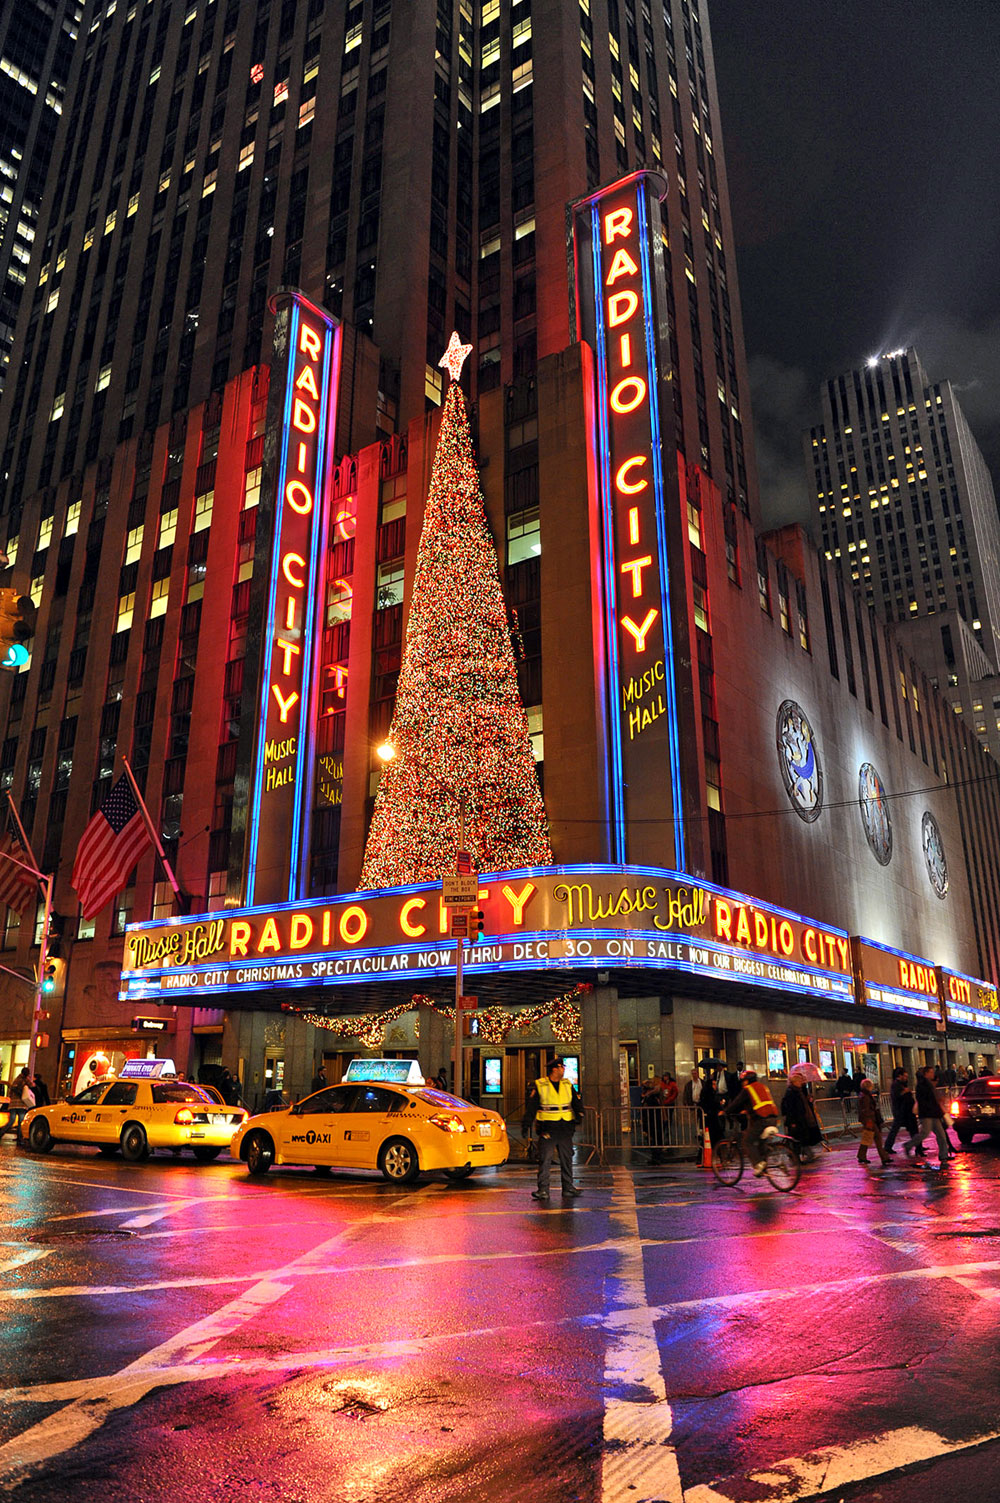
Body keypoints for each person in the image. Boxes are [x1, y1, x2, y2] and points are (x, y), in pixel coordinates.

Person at [522, 1057, 583, 1204]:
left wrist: (579, 1115)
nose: (563, 1070)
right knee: (545, 1160)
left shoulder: (567, 1084)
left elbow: (575, 1102)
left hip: (564, 1127)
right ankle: (543, 1190)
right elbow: (532, 1107)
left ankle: (568, 1187)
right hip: (548, 1128)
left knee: (566, 1159)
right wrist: (526, 1124)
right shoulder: (541, 1085)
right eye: (561, 1067)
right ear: (554, 1069)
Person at [725, 1068, 779, 1177]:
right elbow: (758, 1102)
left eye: (743, 1081)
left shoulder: (748, 1089)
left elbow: (737, 1102)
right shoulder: (763, 1087)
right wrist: (748, 1110)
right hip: (773, 1119)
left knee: (747, 1141)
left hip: (761, 1120)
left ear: (747, 1081)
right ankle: (764, 1159)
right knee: (759, 1140)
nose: (742, 1083)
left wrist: (725, 1111)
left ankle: (758, 1164)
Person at [916, 1065, 951, 1168]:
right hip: (928, 1114)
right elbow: (926, 1100)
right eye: (931, 1072)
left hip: (933, 1114)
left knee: (941, 1135)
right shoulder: (923, 1085)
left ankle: (944, 1156)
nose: (933, 1074)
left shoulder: (929, 1085)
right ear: (926, 1073)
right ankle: (908, 1145)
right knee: (925, 1133)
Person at [781, 1077, 822, 1161]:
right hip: (796, 1119)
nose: (801, 1082)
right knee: (797, 1138)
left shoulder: (799, 1091)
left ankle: (798, 1155)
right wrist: (792, 1121)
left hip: (801, 1118)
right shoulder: (791, 1092)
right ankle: (796, 1155)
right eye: (799, 1080)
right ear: (794, 1082)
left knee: (800, 1137)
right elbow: (790, 1107)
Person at [884, 1068, 923, 1157]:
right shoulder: (896, 1085)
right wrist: (904, 1092)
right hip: (901, 1111)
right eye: (905, 1076)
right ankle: (888, 1146)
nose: (906, 1078)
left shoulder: (901, 1084)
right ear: (900, 1076)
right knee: (896, 1129)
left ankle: (918, 1146)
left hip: (906, 1111)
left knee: (912, 1129)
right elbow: (897, 1096)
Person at [857, 1078, 890, 1166]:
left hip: (869, 1119)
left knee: (868, 1137)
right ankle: (884, 1157)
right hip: (870, 1120)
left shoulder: (864, 1095)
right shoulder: (866, 1096)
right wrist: (869, 1121)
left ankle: (862, 1155)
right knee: (877, 1138)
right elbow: (866, 1110)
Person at [699, 1070, 725, 1147]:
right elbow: (711, 1103)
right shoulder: (709, 1094)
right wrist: (719, 1104)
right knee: (713, 1135)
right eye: (713, 1084)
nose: (715, 1086)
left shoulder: (711, 1093)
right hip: (711, 1117)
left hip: (711, 1116)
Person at [8, 1068, 35, 1134]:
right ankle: (19, 1137)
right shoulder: (25, 1080)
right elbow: (32, 1085)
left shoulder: (16, 1079)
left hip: (13, 1104)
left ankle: (1, 1132)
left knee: (11, 1121)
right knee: (21, 1121)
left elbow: (11, 1092)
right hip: (21, 1104)